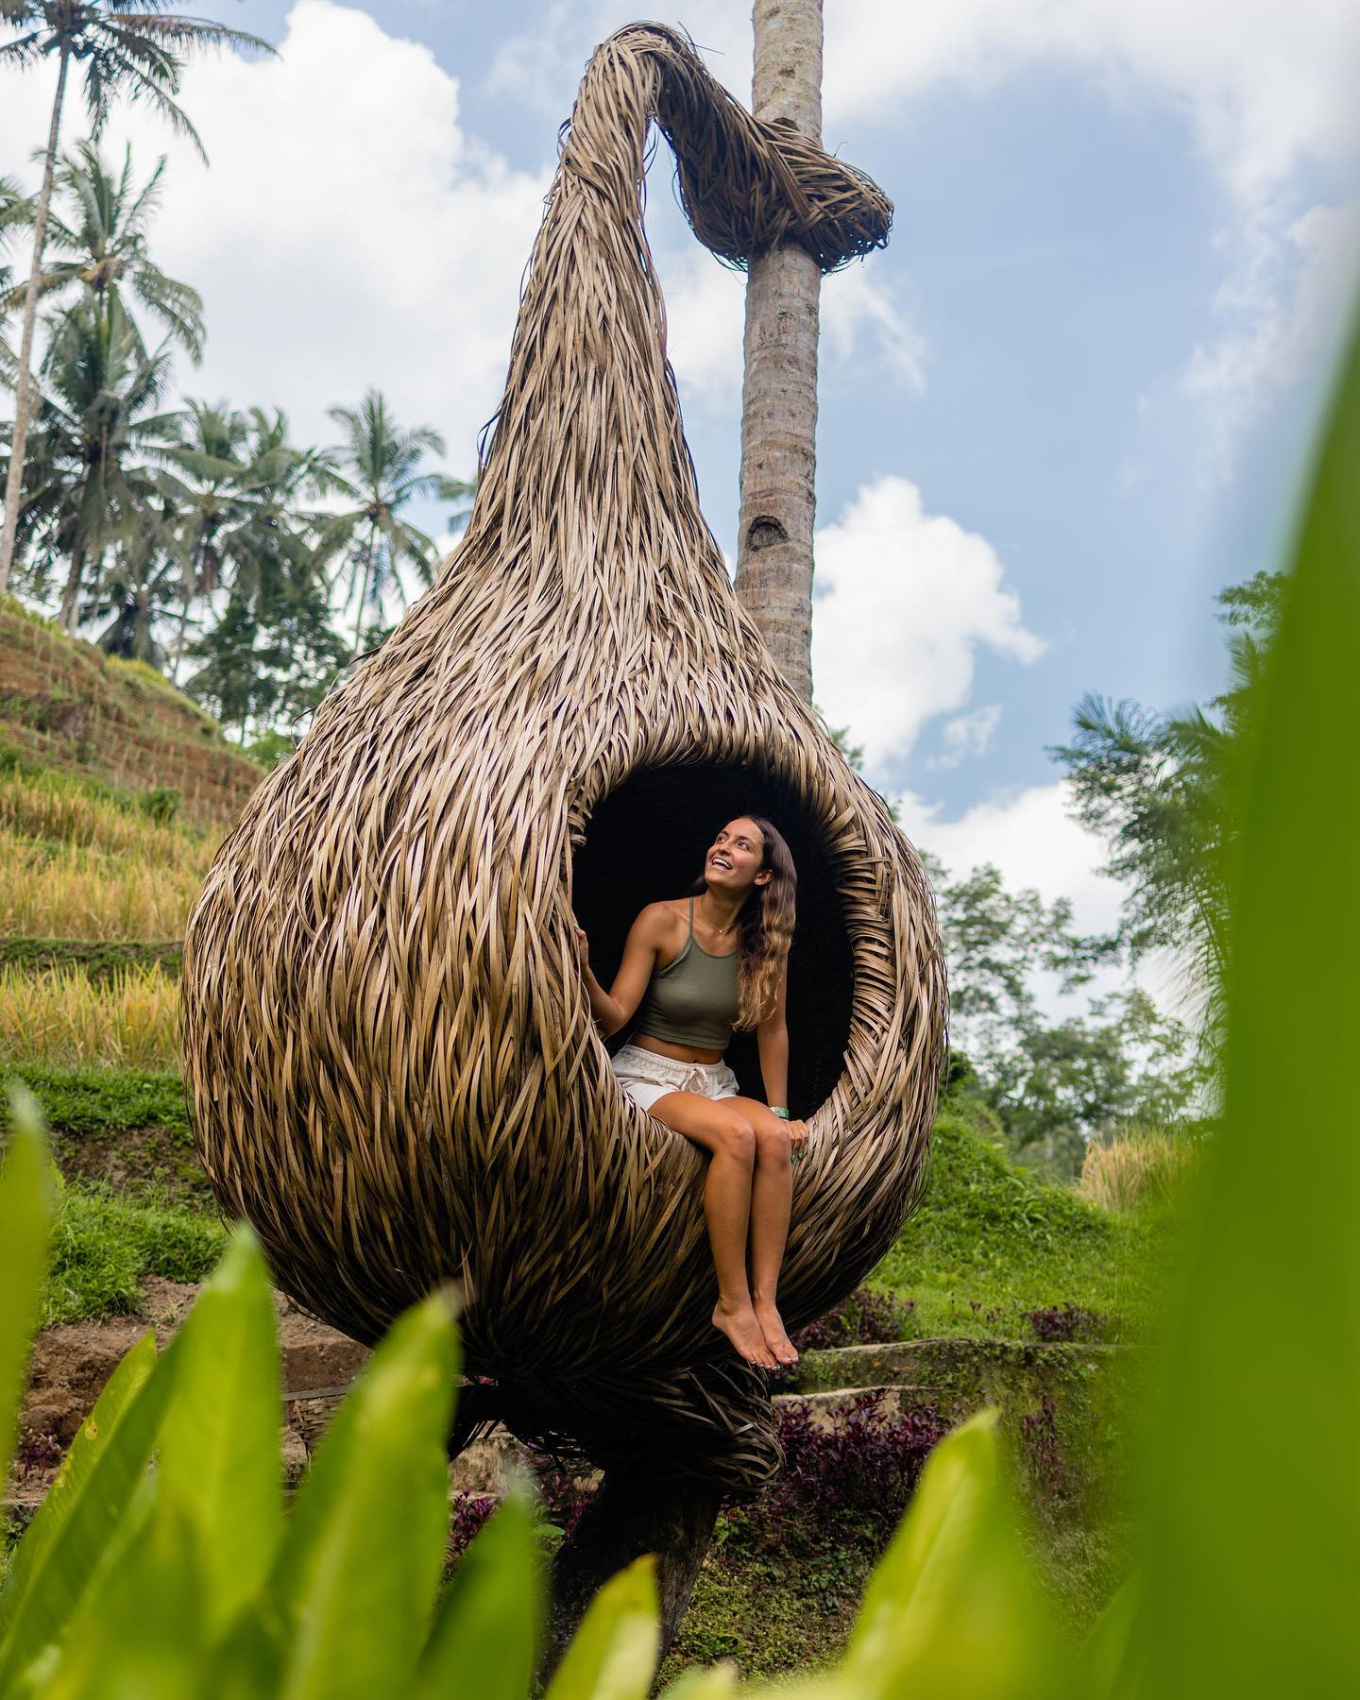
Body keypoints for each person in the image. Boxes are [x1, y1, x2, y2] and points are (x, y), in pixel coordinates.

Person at [575, 814, 809, 1372]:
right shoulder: (661, 920)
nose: (723, 846)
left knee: (773, 1138)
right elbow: (613, 1018)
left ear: (762, 876)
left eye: (742, 844)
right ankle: (730, 1305)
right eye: (721, 837)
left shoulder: (766, 944)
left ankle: (765, 1301)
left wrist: (780, 1110)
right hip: (649, 1074)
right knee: (735, 1136)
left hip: (715, 1081)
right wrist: (582, 971)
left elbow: (773, 1030)